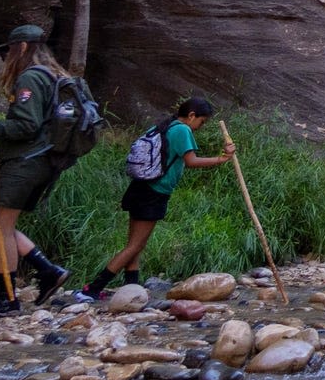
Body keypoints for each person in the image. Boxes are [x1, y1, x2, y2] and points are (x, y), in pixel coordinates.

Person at [0, 24, 90, 311]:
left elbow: (26, 125)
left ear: (21, 48)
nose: (8, 54)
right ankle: (48, 272)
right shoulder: (54, 75)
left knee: (1, 225)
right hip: (45, 162)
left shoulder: (30, 78)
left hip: (26, 162)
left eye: (10, 48)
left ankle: (8, 298)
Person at [87, 97, 229, 298]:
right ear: (191, 115)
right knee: (135, 245)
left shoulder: (165, 125)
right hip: (154, 192)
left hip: (139, 188)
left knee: (135, 244)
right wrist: (221, 159)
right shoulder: (182, 129)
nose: (200, 126)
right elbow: (191, 161)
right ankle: (93, 289)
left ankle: (131, 290)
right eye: (202, 121)